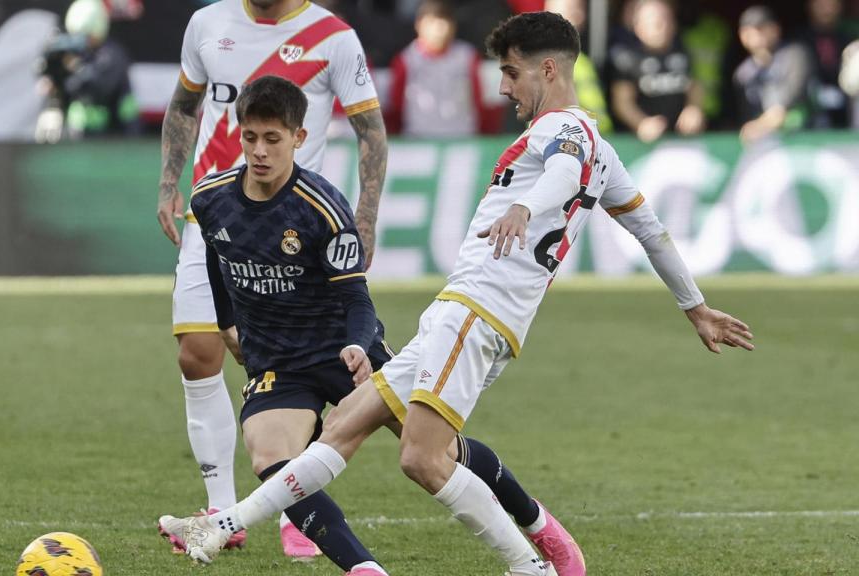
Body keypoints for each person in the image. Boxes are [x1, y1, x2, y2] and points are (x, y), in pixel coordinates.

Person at [161, 11, 755, 576]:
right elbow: (649, 230)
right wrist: (694, 306)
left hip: (477, 310)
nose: (502, 87)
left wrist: (526, 203)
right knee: (344, 424)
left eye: (511, 72)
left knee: (422, 458)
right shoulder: (603, 150)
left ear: (549, 70)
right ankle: (218, 526)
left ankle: (529, 565)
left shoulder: (565, 132)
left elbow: (561, 174)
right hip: (461, 311)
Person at [164, 74, 584, 576]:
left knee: (438, 450)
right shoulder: (212, 198)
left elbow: (356, 298)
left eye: (272, 139)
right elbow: (217, 258)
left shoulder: (321, 207)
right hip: (277, 362)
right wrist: (228, 324)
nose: (259, 151)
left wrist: (361, 345)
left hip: (344, 351)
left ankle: (537, 524)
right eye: (250, 137)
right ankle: (366, 570)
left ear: (298, 138)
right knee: (272, 458)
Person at [157, 0, 389, 560]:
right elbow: (184, 105)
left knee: (288, 364)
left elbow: (370, 131)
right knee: (197, 350)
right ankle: (222, 512)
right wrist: (169, 182)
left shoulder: (332, 36)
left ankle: (294, 500)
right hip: (215, 216)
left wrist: (365, 216)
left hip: (296, 230)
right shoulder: (207, 23)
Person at [386, 0, 499, 136]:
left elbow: (479, 102)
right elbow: (396, 106)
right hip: (418, 141)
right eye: (433, 23)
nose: (439, 30)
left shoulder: (467, 56)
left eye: (444, 22)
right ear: (419, 25)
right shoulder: (406, 60)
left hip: (462, 140)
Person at [35, 0, 140, 142]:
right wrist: (53, 82)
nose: (81, 43)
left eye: (86, 37)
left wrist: (72, 67)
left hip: (115, 136)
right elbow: (45, 73)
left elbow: (96, 87)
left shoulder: (111, 55)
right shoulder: (71, 54)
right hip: (77, 138)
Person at [609, 0, 706, 142]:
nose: (662, 26)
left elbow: (695, 87)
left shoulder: (683, 53)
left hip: (682, 139)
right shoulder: (626, 59)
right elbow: (622, 102)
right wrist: (641, 123)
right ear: (638, 27)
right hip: (642, 144)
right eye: (655, 22)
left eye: (667, 19)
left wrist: (694, 109)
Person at [733, 5, 815, 144]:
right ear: (742, 35)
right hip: (762, 144)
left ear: (776, 29)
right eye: (750, 31)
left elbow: (791, 99)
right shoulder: (742, 74)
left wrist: (763, 124)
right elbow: (744, 115)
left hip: (806, 136)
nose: (757, 35)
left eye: (762, 29)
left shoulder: (796, 55)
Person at [544, 0, 614, 134]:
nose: (577, 16)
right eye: (570, 9)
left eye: (580, 10)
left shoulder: (585, 59)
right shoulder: (536, 60)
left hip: (596, 141)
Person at [797, 0, 855, 128]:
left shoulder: (847, 38)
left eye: (832, 5)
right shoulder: (799, 39)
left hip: (846, 109)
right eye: (822, 5)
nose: (827, 10)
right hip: (810, 111)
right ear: (810, 6)